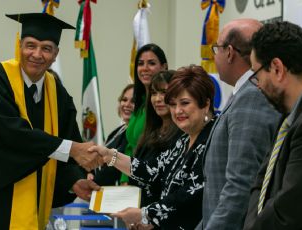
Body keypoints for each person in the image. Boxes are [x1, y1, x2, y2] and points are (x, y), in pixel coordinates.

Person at [0, 13, 101, 230]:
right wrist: (72, 149)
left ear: (56, 54)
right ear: (19, 45)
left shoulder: (57, 93)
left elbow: (66, 139)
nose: (37, 54)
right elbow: (11, 135)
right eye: (30, 45)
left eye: (46, 48)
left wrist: (74, 181)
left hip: (30, 207)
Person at [90, 65, 216, 230]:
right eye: (172, 104)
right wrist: (110, 155)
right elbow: (151, 170)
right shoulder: (184, 140)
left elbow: (190, 195)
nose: (177, 111)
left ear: (205, 104)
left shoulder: (212, 139)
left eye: (185, 103)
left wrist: (145, 214)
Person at [199, 19, 281, 230]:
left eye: (216, 48)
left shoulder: (252, 96)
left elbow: (240, 185)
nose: (214, 54)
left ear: (229, 52)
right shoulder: (244, 92)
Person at [243, 21, 302, 229]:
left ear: (277, 68)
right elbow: (260, 182)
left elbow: (290, 209)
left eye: (257, 76)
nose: (257, 86)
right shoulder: (290, 117)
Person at [129, 70, 179, 207]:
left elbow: (154, 175)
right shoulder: (150, 133)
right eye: (154, 93)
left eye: (164, 93)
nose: (157, 99)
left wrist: (112, 157)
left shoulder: (182, 136)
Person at [122, 43, 168, 184]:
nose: (145, 68)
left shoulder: (165, 106)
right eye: (141, 63)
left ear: (164, 67)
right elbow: (130, 147)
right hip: (131, 177)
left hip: (152, 179)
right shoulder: (140, 103)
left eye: (151, 63)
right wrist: (124, 180)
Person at [90, 83, 134, 185]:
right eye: (124, 99)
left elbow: (113, 168)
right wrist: (90, 173)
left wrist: (94, 182)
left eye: (133, 101)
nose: (127, 104)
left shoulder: (135, 135)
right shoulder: (119, 130)